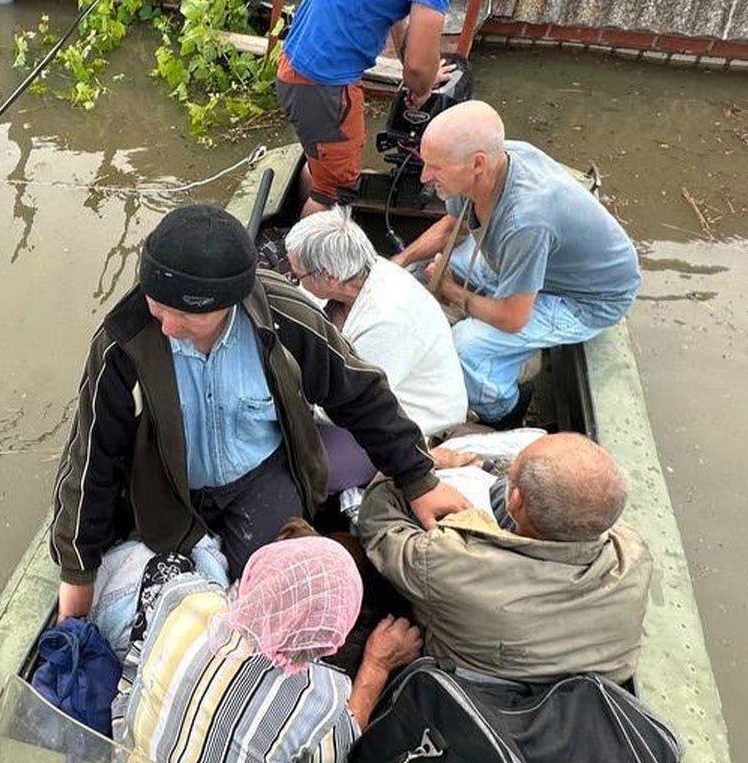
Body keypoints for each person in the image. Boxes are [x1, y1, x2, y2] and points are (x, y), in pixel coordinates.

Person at [49, 204, 471, 622]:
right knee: (172, 610)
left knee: (275, 605)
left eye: (186, 314)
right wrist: (77, 570)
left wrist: (419, 480)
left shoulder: (283, 316)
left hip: (261, 478)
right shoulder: (122, 341)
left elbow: (362, 395)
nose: (166, 327)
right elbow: (91, 457)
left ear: (229, 302)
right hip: (168, 488)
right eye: (158, 305)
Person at [275, 0, 521, 215]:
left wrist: (416, 71)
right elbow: (420, 66)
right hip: (324, 80)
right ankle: (305, 267)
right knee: (337, 191)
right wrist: (419, 89)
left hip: (298, 63)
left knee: (325, 167)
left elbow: (397, 15)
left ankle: (297, 241)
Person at [112, 538, 421, 763]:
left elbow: (137, 665)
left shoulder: (184, 595)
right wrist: (376, 667)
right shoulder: (319, 694)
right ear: (331, 636)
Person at [390, 100, 640, 427]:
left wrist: (452, 291)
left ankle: (504, 411)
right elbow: (453, 226)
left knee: (468, 346)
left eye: (435, 167)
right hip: (536, 261)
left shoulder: (526, 220)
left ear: (478, 164)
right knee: (410, 272)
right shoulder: (493, 163)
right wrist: (400, 260)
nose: (425, 176)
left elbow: (512, 318)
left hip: (588, 299)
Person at [355, 432, 651, 684]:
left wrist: (422, 466)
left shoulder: (449, 561)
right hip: (573, 701)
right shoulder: (634, 556)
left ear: (515, 500)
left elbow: (379, 523)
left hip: (470, 691)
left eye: (511, 474)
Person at [284, 208, 468, 491]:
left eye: (298, 275)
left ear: (328, 276)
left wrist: (287, 396)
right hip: (353, 398)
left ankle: (423, 457)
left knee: (308, 473)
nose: (296, 281)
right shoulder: (356, 275)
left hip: (407, 417)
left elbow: (356, 403)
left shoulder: (388, 320)